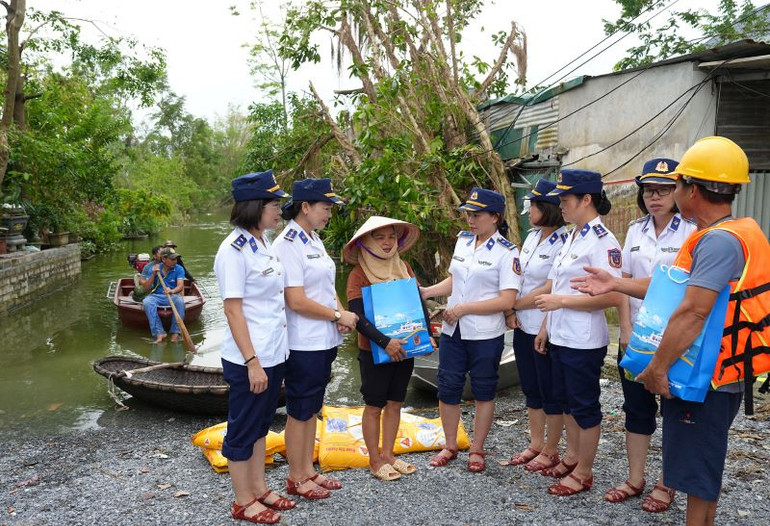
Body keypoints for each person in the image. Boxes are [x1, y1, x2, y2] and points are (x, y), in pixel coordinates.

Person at [572, 136, 770, 526]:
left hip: (705, 378)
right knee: (700, 467)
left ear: (692, 189)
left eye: (676, 185)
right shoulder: (738, 230)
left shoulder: (717, 243)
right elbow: (675, 288)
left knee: (696, 468)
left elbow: (692, 312)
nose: (670, 192)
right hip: (722, 370)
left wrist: (658, 368)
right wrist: (616, 284)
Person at [604, 158, 696, 511]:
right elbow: (623, 283)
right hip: (637, 338)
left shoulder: (691, 232)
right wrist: (625, 329)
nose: (654, 197)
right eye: (648, 190)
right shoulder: (634, 232)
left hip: (675, 340)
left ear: (678, 192)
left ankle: (667, 482)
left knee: (674, 409)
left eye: (663, 189)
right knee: (636, 408)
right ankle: (635, 478)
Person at [532, 169, 622, 496]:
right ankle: (572, 456)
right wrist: (545, 326)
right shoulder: (573, 235)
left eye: (565, 199)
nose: (561, 205)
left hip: (583, 340)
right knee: (567, 402)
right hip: (560, 335)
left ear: (586, 199)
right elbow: (558, 285)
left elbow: (613, 295)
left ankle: (584, 472)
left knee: (584, 406)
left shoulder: (603, 241)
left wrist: (561, 302)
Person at [213, 170, 295, 525]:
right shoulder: (233, 250)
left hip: (274, 351)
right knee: (243, 427)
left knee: (262, 424)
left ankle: (259, 488)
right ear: (254, 206)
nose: (279, 210)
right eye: (273, 204)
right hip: (250, 357)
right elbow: (232, 310)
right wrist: (252, 361)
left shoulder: (261, 242)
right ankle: (242, 500)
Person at [421, 188, 520, 473]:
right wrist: (427, 291)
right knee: (447, 387)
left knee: (484, 390)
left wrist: (464, 308)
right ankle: (450, 444)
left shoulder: (506, 253)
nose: (470, 220)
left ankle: (476, 448)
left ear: (495, 217)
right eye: (468, 214)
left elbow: (507, 300)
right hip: (453, 332)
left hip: (485, 334)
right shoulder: (463, 243)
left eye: (476, 215)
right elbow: (455, 280)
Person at [272, 179, 358, 499]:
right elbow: (295, 300)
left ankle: (308, 469)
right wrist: (338, 316)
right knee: (299, 409)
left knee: (312, 407)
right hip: (301, 341)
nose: (329, 214)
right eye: (325, 208)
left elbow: (324, 287)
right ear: (305, 207)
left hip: (324, 339)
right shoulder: (287, 245)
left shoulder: (314, 239)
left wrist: (339, 311)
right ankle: (296, 477)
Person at [344, 216, 431, 481]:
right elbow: (358, 317)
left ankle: (390, 454)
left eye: (391, 236)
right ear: (367, 242)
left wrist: (426, 337)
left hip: (405, 348)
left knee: (396, 402)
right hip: (374, 350)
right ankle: (374, 460)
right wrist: (385, 342)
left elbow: (418, 304)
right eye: (379, 237)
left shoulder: (404, 266)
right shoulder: (358, 273)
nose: (386, 242)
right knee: (374, 405)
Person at [501, 179, 568, 473]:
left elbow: (548, 290)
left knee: (550, 390)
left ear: (549, 208)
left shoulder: (564, 241)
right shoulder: (531, 237)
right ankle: (535, 443)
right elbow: (519, 278)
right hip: (523, 324)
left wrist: (514, 305)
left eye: (535, 206)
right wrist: (511, 311)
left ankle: (552, 449)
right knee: (531, 388)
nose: (529, 210)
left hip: (547, 326)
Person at [138, 247, 186, 344]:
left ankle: (176, 333)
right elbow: (146, 287)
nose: (175, 261)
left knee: (180, 302)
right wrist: (153, 275)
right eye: (172, 259)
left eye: (176, 259)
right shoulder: (155, 268)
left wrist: (172, 291)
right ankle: (159, 332)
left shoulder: (179, 269)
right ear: (164, 259)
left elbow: (180, 286)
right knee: (147, 302)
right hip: (156, 296)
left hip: (172, 295)